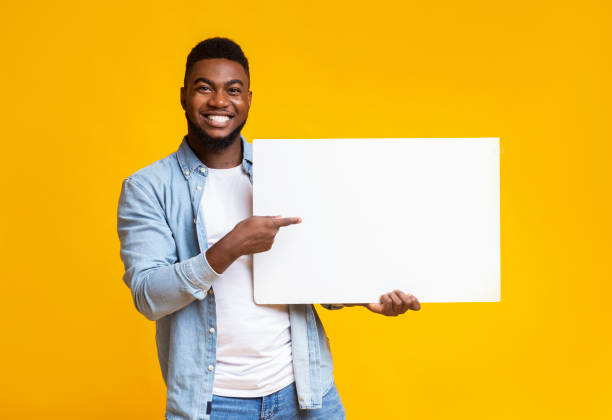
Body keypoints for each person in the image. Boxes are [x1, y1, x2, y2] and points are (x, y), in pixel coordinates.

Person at [117, 37, 421, 420]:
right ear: (183, 96)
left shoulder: (282, 170)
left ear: (248, 99)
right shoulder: (148, 187)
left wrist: (364, 295)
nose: (219, 101)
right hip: (212, 404)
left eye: (233, 90)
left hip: (305, 393)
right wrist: (230, 246)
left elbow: (309, 269)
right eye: (204, 87)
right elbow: (148, 295)